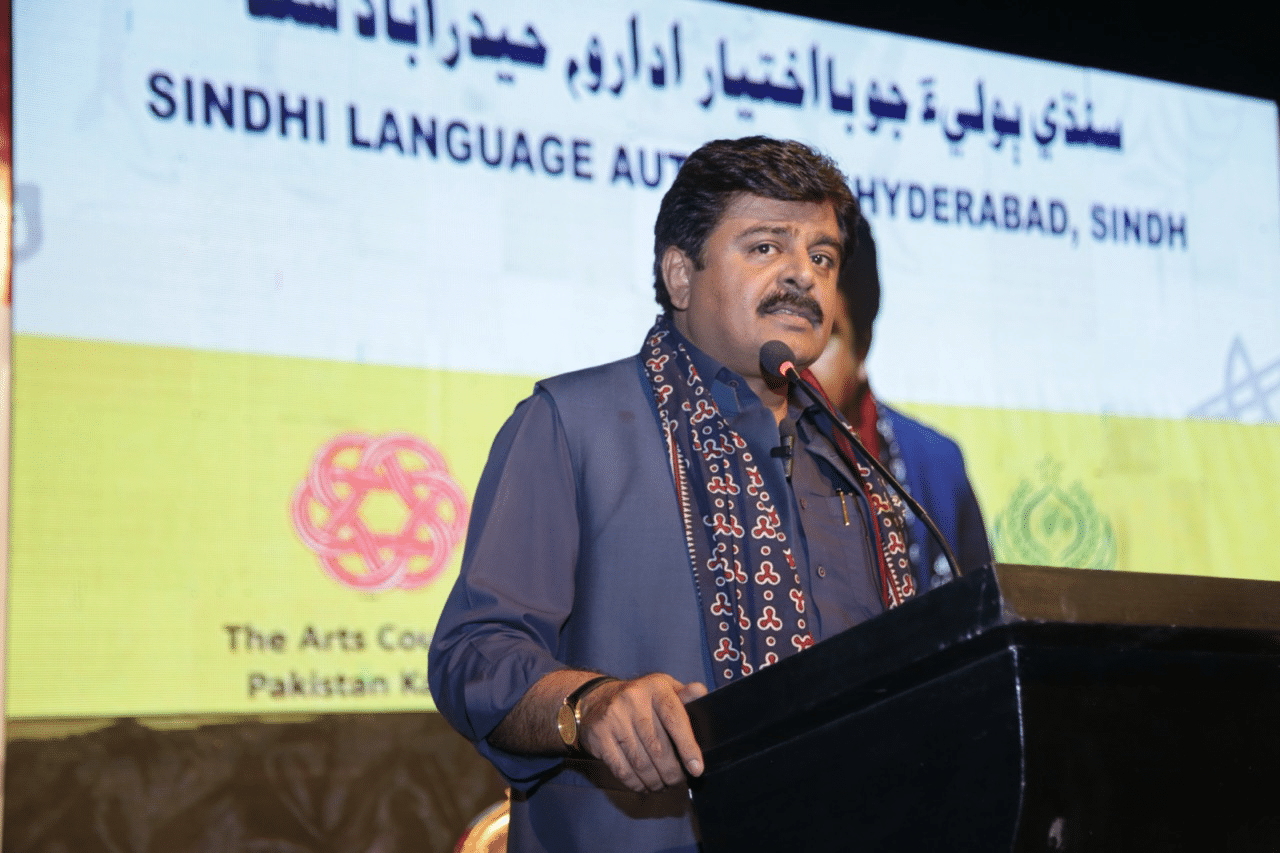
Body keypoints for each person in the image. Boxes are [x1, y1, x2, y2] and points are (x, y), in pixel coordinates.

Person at [429, 136, 918, 853]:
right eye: (765, 247)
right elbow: (472, 654)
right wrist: (589, 706)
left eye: (822, 256)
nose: (802, 275)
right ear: (680, 275)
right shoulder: (572, 424)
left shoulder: (854, 466)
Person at [809, 217, 992, 587]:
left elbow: (981, 612)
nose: (797, 356)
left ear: (863, 347)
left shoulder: (937, 467)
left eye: (821, 334)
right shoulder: (737, 457)